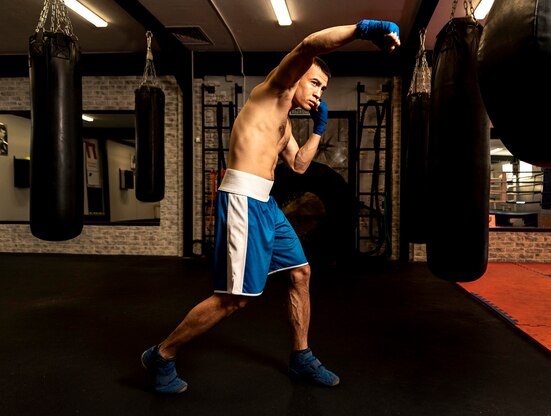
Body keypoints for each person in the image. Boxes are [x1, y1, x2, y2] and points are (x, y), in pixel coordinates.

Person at [141, 20, 401, 394]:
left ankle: (301, 357)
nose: (318, 93)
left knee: (300, 273)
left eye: (323, 89)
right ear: (295, 77)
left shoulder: (284, 126)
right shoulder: (271, 92)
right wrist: (363, 29)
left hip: (265, 203)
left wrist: (317, 129)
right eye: (314, 83)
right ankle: (161, 355)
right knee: (234, 300)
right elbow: (310, 44)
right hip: (243, 199)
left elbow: (298, 166)